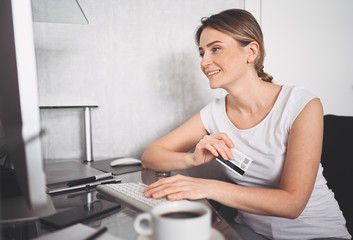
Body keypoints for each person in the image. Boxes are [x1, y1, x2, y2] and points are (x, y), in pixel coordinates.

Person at [141, 9, 351, 240]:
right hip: (250, 230)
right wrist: (192, 159)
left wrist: (206, 186)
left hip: (315, 233)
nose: (204, 62)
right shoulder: (215, 112)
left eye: (215, 49)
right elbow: (152, 155)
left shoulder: (301, 104)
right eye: (201, 53)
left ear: (251, 52)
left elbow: (293, 204)